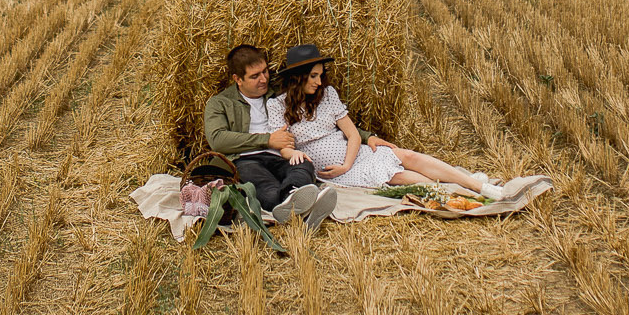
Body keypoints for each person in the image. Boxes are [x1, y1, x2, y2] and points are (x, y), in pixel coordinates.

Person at [268, 45, 508, 198]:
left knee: (408, 156)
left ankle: (476, 187)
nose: (319, 82)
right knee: (403, 178)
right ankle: (464, 191)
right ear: (297, 77)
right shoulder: (277, 105)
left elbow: (352, 135)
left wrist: (348, 163)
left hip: (354, 157)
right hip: (335, 173)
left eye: (320, 75)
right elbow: (283, 146)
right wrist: (292, 155)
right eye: (313, 76)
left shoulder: (327, 95)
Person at [202, 44, 336, 224]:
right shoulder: (220, 103)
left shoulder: (279, 93)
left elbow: (327, 114)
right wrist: (268, 140)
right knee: (264, 186)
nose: (264, 79)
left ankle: (293, 198)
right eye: (255, 76)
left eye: (265, 71)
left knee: (303, 165)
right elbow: (218, 140)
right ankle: (300, 210)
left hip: (282, 155)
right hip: (247, 159)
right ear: (238, 79)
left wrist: (367, 136)